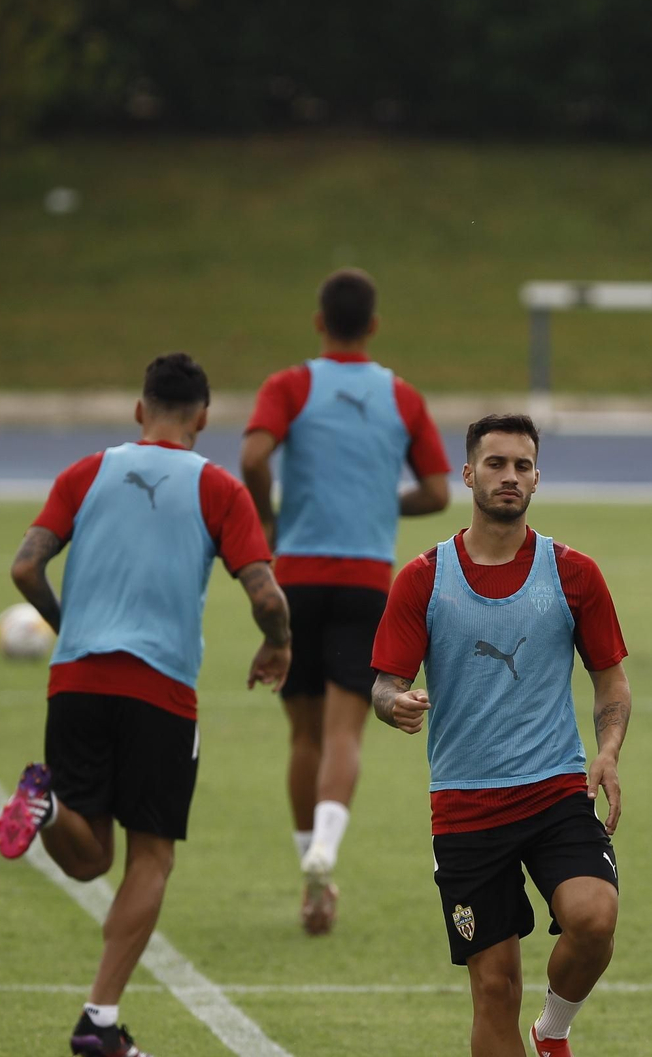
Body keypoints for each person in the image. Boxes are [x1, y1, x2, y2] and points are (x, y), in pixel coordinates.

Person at [0, 353, 291, 1057]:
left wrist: (68, 623)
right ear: (203, 418)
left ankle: (45, 806)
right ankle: (99, 1016)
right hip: (158, 690)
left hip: (75, 681)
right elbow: (267, 593)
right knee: (149, 857)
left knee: (89, 854)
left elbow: (24, 565)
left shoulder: (86, 471)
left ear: (138, 409)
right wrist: (277, 643)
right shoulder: (218, 486)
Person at [371, 414, 630, 1057]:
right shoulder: (423, 579)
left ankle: (554, 1030)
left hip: (556, 792)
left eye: (521, 465)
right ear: (468, 475)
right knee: (495, 989)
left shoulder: (575, 574)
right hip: (465, 805)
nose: (509, 476)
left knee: (595, 920)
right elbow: (383, 684)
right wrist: (393, 703)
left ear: (537, 477)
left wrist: (607, 752)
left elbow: (612, 682)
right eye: (495, 464)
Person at [241, 268, 451, 934]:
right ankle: (330, 843)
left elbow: (251, 454)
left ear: (318, 321)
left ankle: (314, 871)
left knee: (302, 734)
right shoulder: (402, 396)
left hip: (296, 578)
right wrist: (381, 502)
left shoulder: (291, 385)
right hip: (366, 580)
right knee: (345, 731)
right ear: (375, 325)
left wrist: (269, 522)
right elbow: (441, 491)